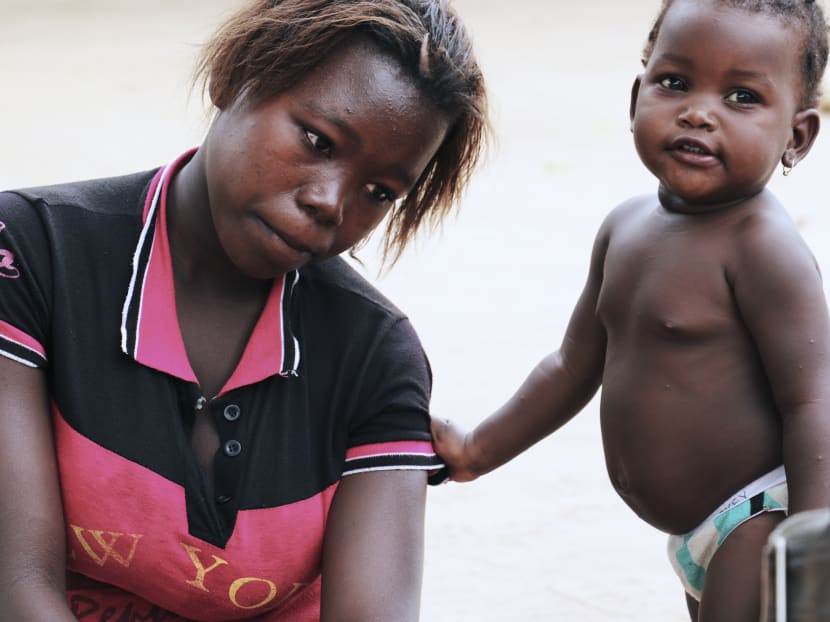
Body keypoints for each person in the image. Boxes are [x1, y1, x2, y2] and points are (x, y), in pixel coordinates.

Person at [0, 1, 488, 620]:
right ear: (235, 78)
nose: (330, 202)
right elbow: (16, 584)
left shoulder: (374, 353)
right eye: (318, 140)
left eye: (379, 192)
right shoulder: (31, 251)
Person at [431, 0, 830, 620]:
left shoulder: (763, 248)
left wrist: (811, 547)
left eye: (743, 97)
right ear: (636, 96)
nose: (699, 112)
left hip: (759, 518)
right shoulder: (625, 227)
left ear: (796, 137)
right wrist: (480, 449)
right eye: (675, 83)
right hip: (697, 528)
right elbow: (571, 365)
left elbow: (813, 400)